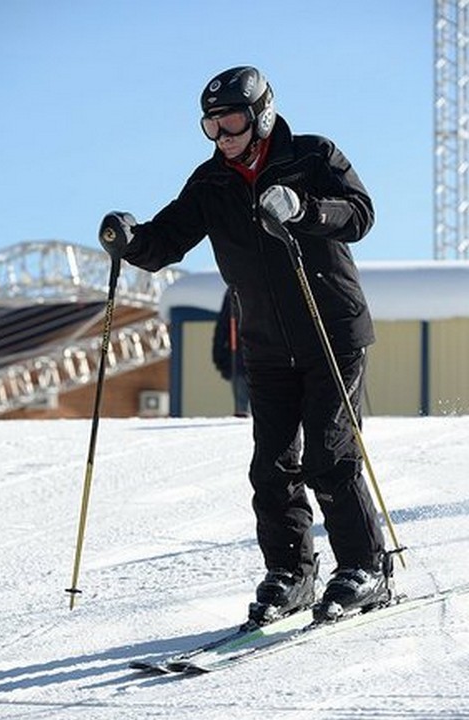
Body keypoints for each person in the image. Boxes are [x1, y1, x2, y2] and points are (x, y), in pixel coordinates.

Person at [99, 65, 389, 624]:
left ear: (262, 115)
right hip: (265, 343)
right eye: (212, 126)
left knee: (329, 455)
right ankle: (291, 573)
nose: (223, 137)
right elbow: (167, 241)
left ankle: (365, 567)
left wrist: (304, 211)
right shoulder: (212, 182)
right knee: (271, 467)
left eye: (231, 123)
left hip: (331, 328)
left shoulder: (312, 156)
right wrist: (130, 240)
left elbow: (360, 215)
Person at [212, 286, 250, 417]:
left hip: (254, 360)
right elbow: (223, 328)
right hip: (240, 360)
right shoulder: (232, 293)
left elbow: (221, 329)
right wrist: (220, 359)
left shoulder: (233, 291)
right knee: (244, 408)